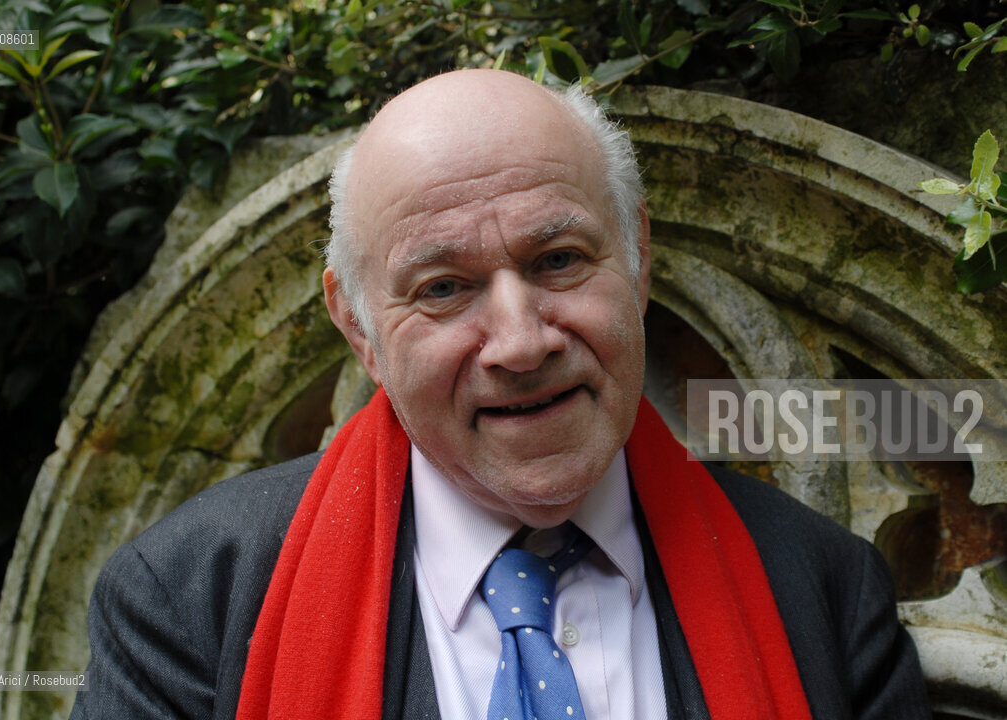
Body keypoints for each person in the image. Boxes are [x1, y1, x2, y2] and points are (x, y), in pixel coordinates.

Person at [70, 69, 931, 720]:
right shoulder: (187, 602)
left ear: (637, 264)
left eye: (558, 260)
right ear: (359, 328)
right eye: (443, 287)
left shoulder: (824, 590)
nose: (521, 343)